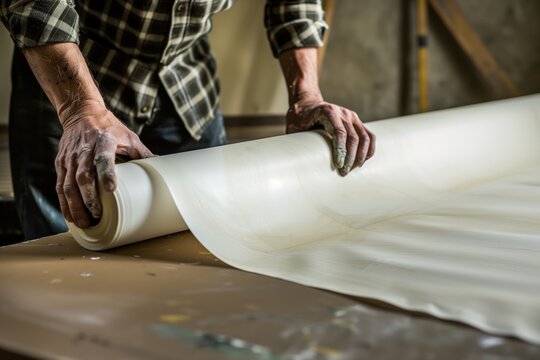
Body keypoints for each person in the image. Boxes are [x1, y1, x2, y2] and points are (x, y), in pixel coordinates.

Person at [1, 0, 376, 240]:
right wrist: (81, 109)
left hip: (186, 81)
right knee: (58, 240)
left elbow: (294, 3)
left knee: (206, 227)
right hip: (73, 71)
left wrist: (306, 95)